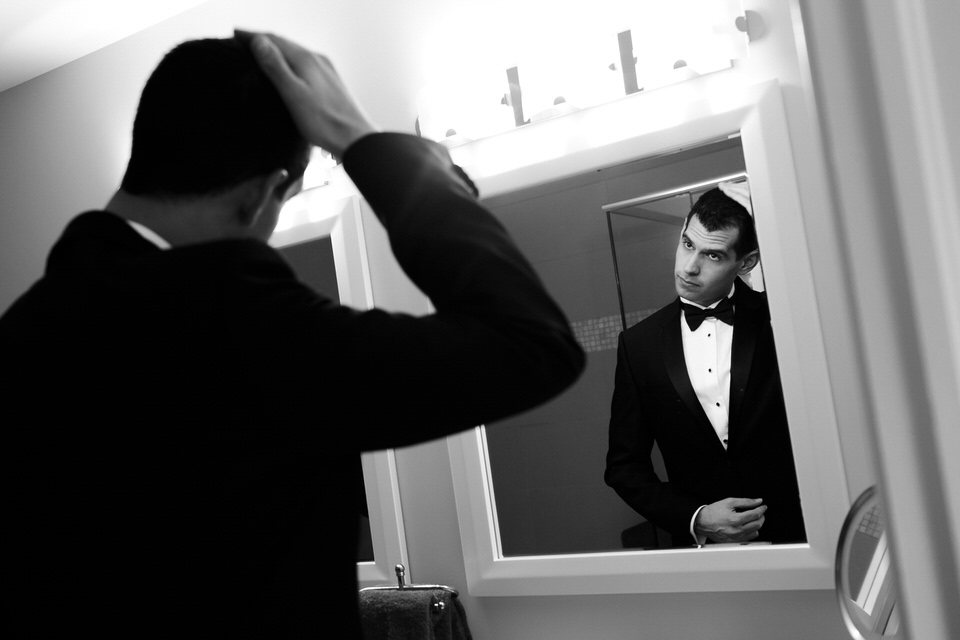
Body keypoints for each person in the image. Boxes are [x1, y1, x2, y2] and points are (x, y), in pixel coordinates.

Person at [1, 31, 584, 637]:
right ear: (262, 195)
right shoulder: (231, 317)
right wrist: (361, 140)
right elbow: (530, 343)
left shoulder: (28, 325)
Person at [604, 185, 804, 547]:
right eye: (687, 244)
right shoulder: (638, 345)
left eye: (713, 256)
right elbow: (624, 467)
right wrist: (696, 517)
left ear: (746, 263)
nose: (689, 267)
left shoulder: (785, 318)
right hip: (702, 555)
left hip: (802, 537)